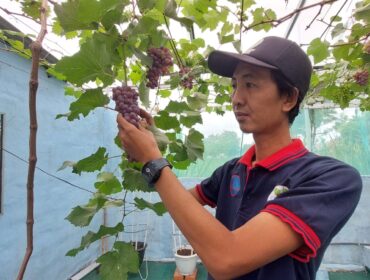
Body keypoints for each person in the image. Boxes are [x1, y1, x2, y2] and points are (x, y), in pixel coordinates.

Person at [116, 36, 362, 280]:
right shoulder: (232, 170)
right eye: (234, 85)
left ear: (288, 98)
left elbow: (227, 259)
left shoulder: (331, 179)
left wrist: (155, 164)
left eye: (251, 85)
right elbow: (183, 203)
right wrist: (153, 148)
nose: (236, 99)